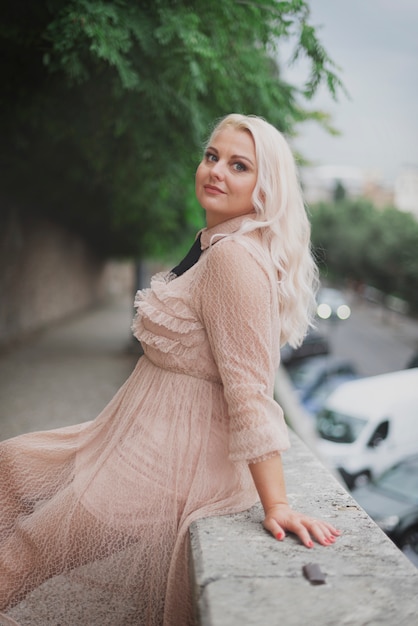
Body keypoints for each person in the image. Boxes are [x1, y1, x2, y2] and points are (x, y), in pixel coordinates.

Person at [0, 113, 340, 626]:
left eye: (239, 165)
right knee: (13, 465)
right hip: (127, 442)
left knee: (27, 549)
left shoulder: (234, 260)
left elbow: (250, 391)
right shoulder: (215, 245)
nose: (216, 171)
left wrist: (277, 503)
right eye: (212, 156)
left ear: (266, 188)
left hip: (167, 463)